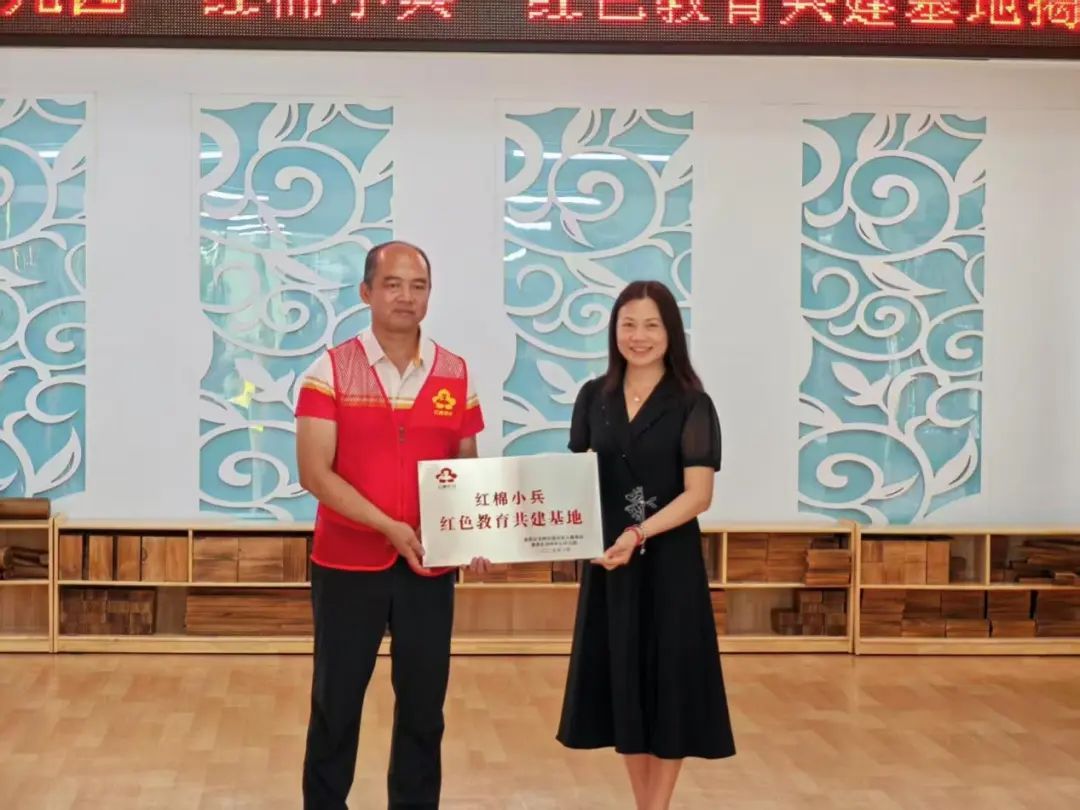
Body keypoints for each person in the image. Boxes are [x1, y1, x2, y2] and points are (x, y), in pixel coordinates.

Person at [294, 240, 488, 810]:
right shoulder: (329, 371)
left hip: (429, 565)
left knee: (425, 708)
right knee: (336, 704)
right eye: (393, 284)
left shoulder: (455, 373)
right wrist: (388, 527)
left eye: (418, 286)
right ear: (366, 292)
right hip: (347, 565)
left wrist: (477, 534)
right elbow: (315, 473)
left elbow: (466, 468)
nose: (406, 296)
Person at [556, 280, 736, 810]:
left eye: (652, 325)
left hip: (669, 563)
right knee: (624, 687)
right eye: (628, 325)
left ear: (671, 332)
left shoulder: (692, 403)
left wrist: (639, 532)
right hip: (610, 564)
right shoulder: (593, 398)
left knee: (669, 687)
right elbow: (576, 479)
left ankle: (656, 806)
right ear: (614, 331)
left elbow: (698, 495)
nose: (639, 336)